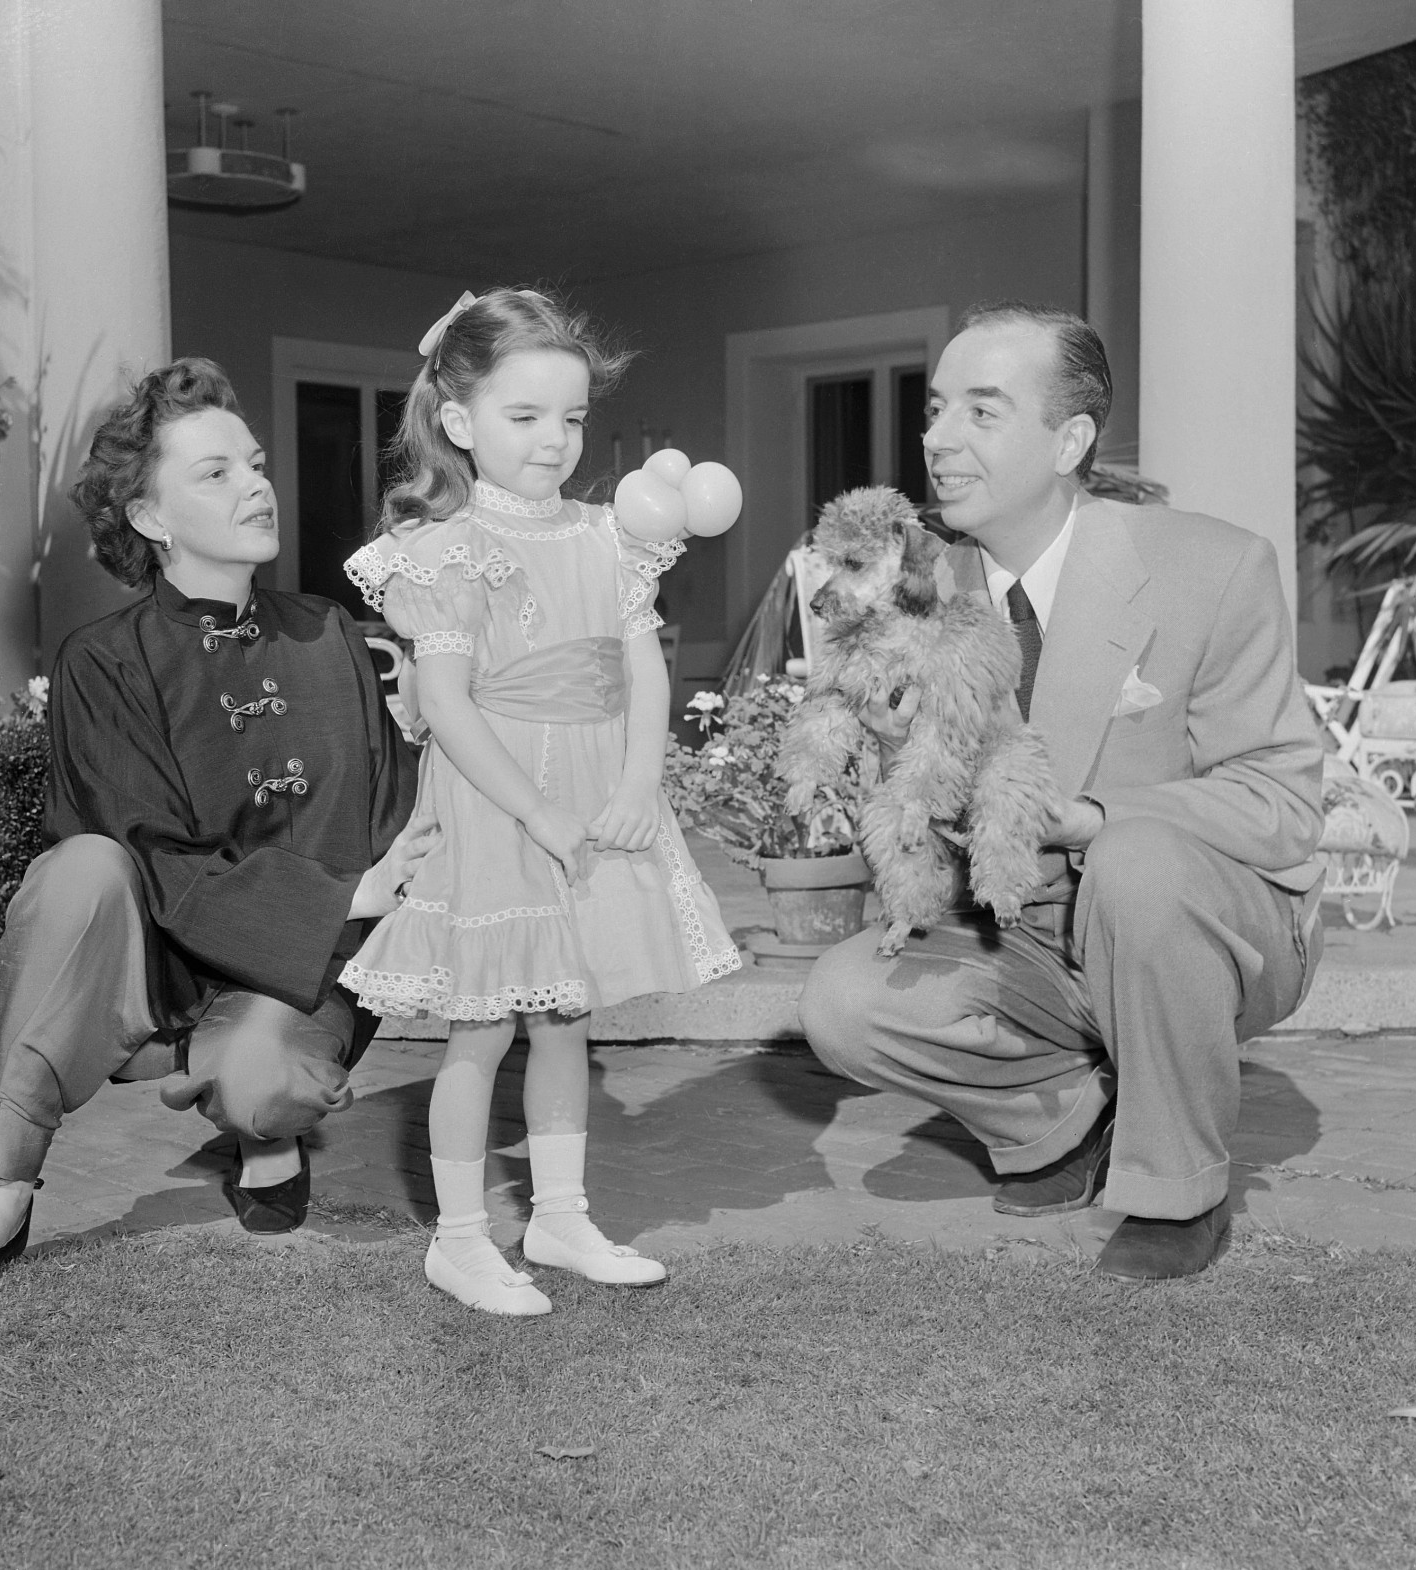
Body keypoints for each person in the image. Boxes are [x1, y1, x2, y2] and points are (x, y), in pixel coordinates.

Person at [797, 301, 1325, 1281]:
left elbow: (1280, 800)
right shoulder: (915, 585)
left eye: (981, 413)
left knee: (1131, 863)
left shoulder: (1209, 567)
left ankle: (1178, 1188)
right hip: (1028, 925)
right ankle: (1058, 1122)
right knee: (842, 1003)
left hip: (1201, 919)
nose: (938, 440)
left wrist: (1097, 817)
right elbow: (919, 806)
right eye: (935, 408)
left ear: (1068, 439)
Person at [0, 357, 430, 1295]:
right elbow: (138, 846)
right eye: (217, 473)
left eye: (256, 463)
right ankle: (6, 1183)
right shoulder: (102, 661)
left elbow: (395, 806)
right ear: (150, 519)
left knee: (268, 1085)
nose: (258, 484)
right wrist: (340, 891)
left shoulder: (334, 638)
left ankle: (256, 1126)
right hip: (149, 961)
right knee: (79, 868)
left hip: (299, 965)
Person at [342, 288, 741, 1317]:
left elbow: (641, 667)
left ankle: (559, 1213)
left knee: (566, 1013)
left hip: (592, 789)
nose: (554, 441)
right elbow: (446, 703)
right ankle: (460, 1237)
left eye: (570, 418)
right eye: (524, 419)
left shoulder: (610, 537)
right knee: (482, 1024)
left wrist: (638, 781)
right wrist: (536, 812)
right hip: (497, 799)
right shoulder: (447, 548)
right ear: (460, 421)